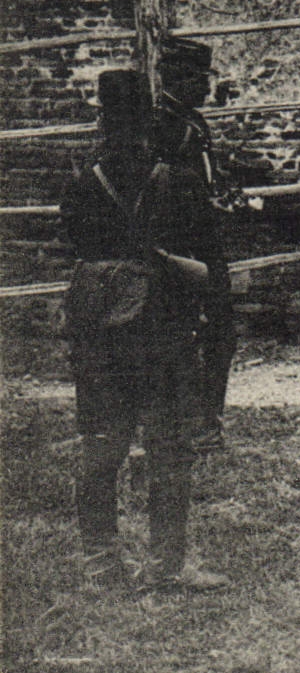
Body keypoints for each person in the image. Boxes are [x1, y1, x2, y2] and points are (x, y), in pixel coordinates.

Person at [61, 68, 228, 591]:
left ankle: (101, 567)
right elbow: (204, 255)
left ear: (102, 122)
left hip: (100, 336)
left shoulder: (82, 185)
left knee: (101, 447)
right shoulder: (176, 180)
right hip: (162, 333)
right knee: (168, 449)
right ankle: (167, 566)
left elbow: (80, 248)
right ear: (149, 121)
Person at [150, 37, 254, 454]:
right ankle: (189, 424)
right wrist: (200, 203)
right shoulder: (160, 127)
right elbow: (157, 192)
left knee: (219, 334)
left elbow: (203, 179)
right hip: (179, 249)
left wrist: (224, 195)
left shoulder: (193, 122)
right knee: (184, 335)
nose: (210, 87)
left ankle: (205, 420)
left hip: (205, 242)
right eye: (202, 78)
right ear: (182, 78)